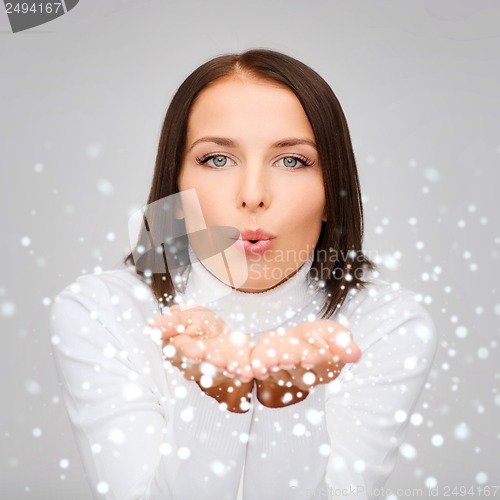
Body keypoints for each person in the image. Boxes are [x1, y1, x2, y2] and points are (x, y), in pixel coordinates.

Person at [49, 48, 437, 500]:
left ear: (334, 191)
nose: (252, 195)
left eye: (292, 160)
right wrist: (215, 401)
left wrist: (289, 405)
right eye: (217, 159)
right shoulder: (101, 312)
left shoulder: (387, 324)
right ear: (175, 186)